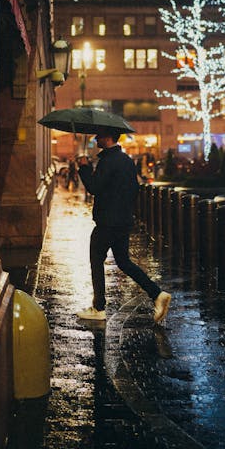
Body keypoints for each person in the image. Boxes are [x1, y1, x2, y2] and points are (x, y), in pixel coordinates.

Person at [76, 128, 171, 324]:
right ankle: (157, 294)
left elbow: (94, 187)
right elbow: (132, 189)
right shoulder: (126, 160)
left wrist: (84, 168)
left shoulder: (108, 161)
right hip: (123, 220)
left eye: (99, 136)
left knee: (96, 259)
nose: (95, 138)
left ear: (108, 138)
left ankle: (99, 307)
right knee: (124, 262)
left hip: (107, 222)